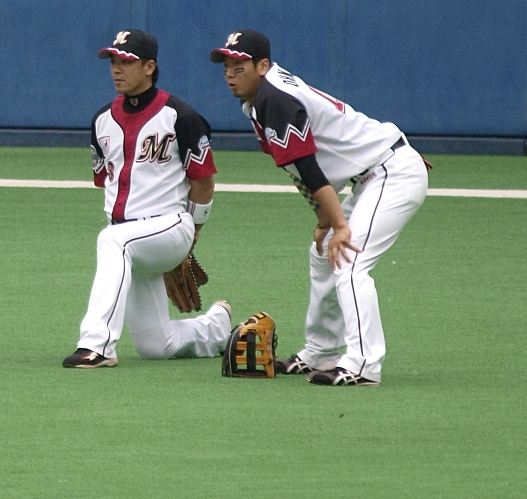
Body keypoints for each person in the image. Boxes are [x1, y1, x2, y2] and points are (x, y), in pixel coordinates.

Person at [211, 30, 427, 386]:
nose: (231, 74)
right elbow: (298, 169)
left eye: (240, 66)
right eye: (227, 67)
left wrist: (340, 225)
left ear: (263, 66)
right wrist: (324, 218)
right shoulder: (259, 99)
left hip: (392, 172)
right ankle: (320, 352)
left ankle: (363, 365)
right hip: (374, 173)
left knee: (349, 259)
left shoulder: (274, 99)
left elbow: (309, 168)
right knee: (324, 253)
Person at [63, 29, 232, 368]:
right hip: (132, 239)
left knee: (112, 241)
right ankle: (218, 327)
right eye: (112, 60)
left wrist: (192, 236)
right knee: (157, 345)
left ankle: (96, 346)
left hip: (170, 227)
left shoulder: (180, 116)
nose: (116, 68)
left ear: (150, 66)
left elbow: (204, 183)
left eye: (126, 61)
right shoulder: (101, 121)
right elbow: (105, 182)